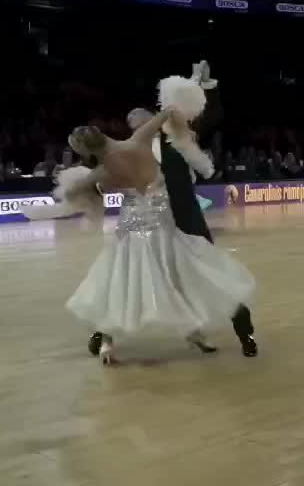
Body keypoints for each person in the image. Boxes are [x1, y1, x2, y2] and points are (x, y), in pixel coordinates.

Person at [57, 109, 256, 366]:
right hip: (162, 229)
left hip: (155, 228)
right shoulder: (138, 142)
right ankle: (183, 333)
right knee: (143, 279)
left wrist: (85, 189)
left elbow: (73, 194)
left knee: (123, 280)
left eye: (136, 120)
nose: (134, 124)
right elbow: (170, 110)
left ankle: (111, 340)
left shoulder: (105, 170)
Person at [95, 62, 260, 358]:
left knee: (215, 277)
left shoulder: (179, 141)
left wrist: (202, 83)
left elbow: (199, 112)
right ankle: (103, 334)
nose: (139, 125)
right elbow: (106, 180)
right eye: (134, 123)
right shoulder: (129, 154)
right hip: (148, 228)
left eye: (143, 120)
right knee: (131, 277)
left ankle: (243, 332)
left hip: (187, 224)